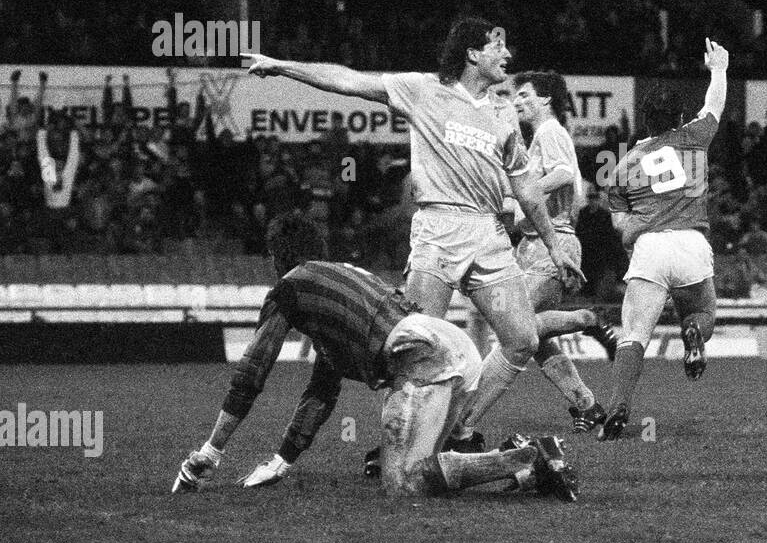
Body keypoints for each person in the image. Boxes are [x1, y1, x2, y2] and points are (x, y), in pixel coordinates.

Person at [240, 18, 584, 452]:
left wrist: (554, 244)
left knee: (522, 340)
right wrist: (281, 66)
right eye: (497, 48)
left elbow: (527, 189)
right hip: (437, 229)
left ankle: (458, 430)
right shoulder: (422, 89)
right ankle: (396, 447)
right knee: (413, 347)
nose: (508, 56)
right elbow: (348, 80)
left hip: (489, 230)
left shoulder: (501, 113)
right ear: (472, 54)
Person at [171, 212, 576, 501]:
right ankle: (524, 465)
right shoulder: (335, 282)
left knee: (402, 483)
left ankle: (530, 456)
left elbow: (252, 372)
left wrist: (211, 450)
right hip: (446, 347)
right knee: (422, 465)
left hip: (423, 357)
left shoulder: (292, 287)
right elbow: (321, 391)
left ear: (279, 256)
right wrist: (282, 460)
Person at [461, 69, 617, 437]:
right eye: (516, 97)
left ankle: (586, 319)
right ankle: (587, 405)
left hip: (555, 246)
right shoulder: (537, 140)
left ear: (546, 100)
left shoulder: (551, 132)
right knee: (533, 340)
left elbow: (565, 174)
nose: (518, 102)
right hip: (532, 248)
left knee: (513, 328)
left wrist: (522, 192)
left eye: (526, 95)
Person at [597, 39, 728, 441]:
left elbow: (621, 223)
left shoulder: (624, 164)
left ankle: (617, 409)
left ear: (644, 120)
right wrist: (719, 68)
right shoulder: (694, 137)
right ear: (679, 116)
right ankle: (692, 332)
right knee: (703, 315)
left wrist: (633, 228)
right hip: (690, 243)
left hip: (650, 249)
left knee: (633, 335)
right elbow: (715, 105)